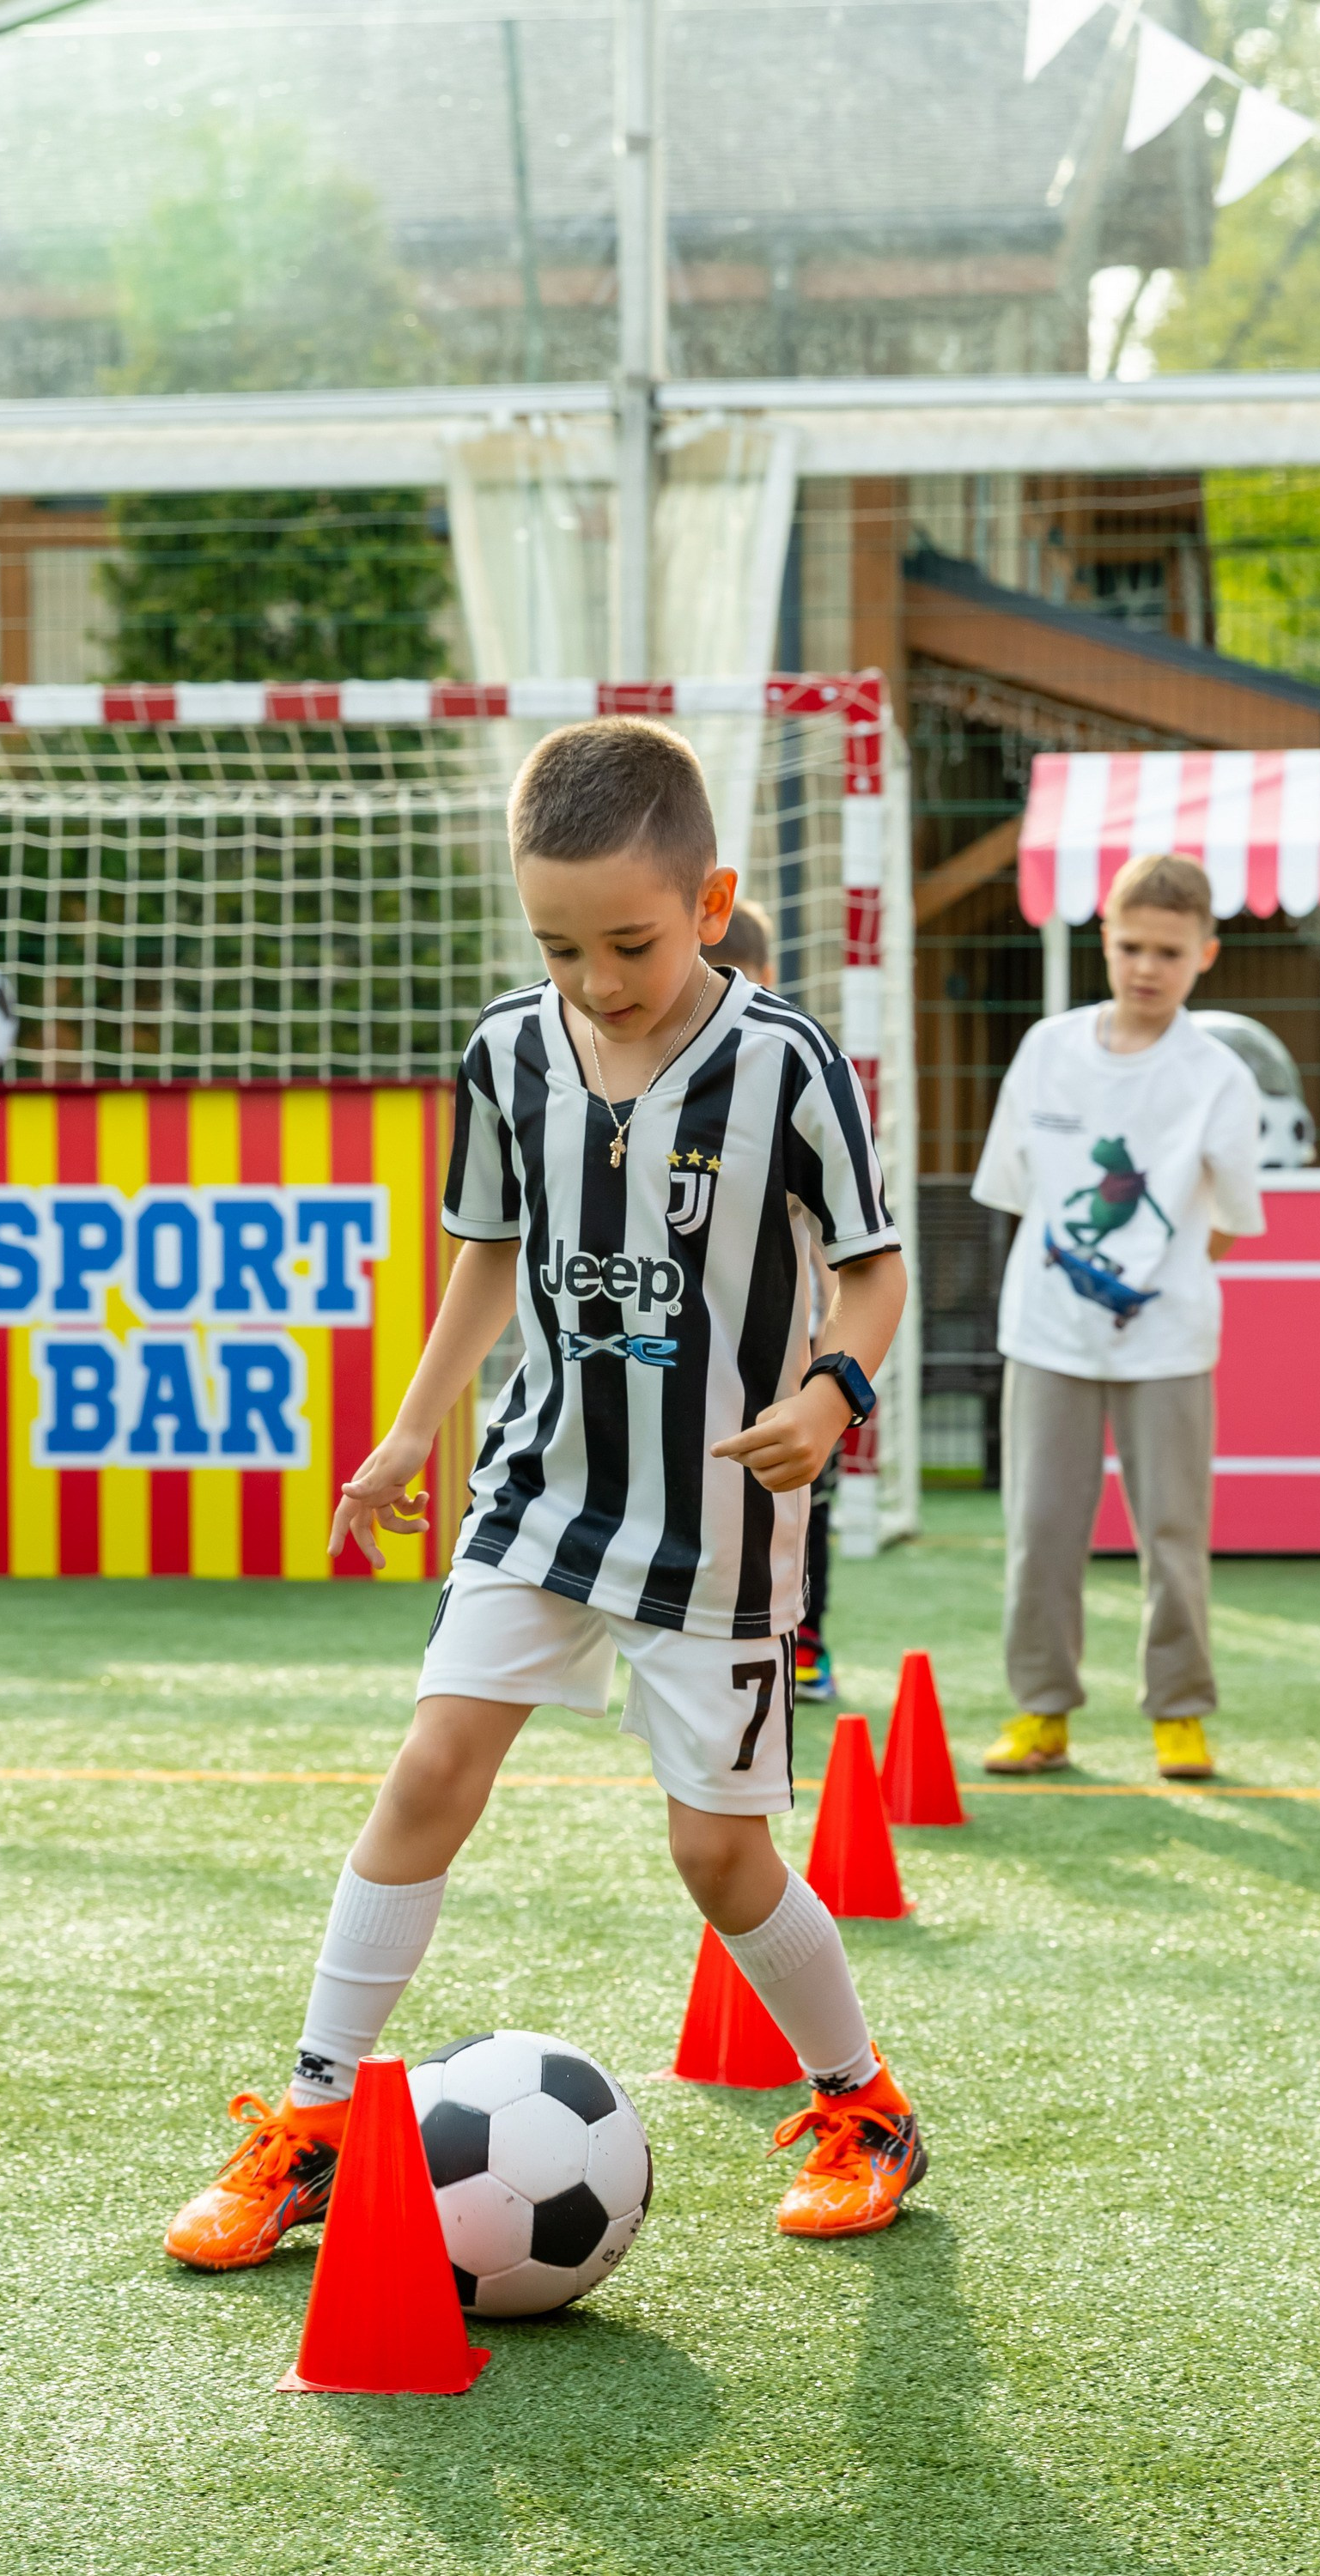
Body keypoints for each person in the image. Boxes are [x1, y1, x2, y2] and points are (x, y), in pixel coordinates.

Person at [163, 718, 925, 2269]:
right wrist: (406, 1437)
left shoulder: (784, 1064)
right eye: (559, 946)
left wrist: (828, 1394)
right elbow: (486, 1260)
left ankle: (865, 2109)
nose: (596, 980)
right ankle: (313, 2120)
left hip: (714, 1526)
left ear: (711, 904)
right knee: (431, 1770)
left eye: (630, 943)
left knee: (717, 1858)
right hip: (538, 1493)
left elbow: (874, 1271)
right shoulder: (508, 1053)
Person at [970, 854, 1264, 1783]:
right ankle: (1039, 1711)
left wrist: (1155, 1278)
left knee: (1171, 1536)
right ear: (1103, 937)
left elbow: (1227, 1221)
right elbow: (1014, 1192)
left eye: (1167, 952)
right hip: (1045, 1333)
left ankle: (1177, 1712)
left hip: (1169, 1342)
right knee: (1039, 1529)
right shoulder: (1046, 1051)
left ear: (1203, 956)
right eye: (1130, 945)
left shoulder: (1219, 1075)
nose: (1145, 967)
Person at [709, 896, 839, 1704]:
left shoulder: (791, 1073)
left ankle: (804, 1638)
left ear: (764, 979)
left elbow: (843, 1238)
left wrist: (838, 1350)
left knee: (799, 1499)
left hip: (793, 1355)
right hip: (704, 1347)